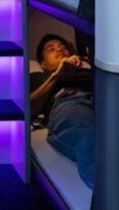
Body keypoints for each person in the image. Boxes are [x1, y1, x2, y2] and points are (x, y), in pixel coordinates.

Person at [30, 33, 94, 188]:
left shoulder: (88, 66)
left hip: (105, 95)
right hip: (69, 100)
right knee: (89, 138)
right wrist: (57, 75)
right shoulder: (39, 77)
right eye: (51, 49)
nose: (59, 49)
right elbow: (28, 109)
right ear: (43, 64)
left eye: (63, 47)